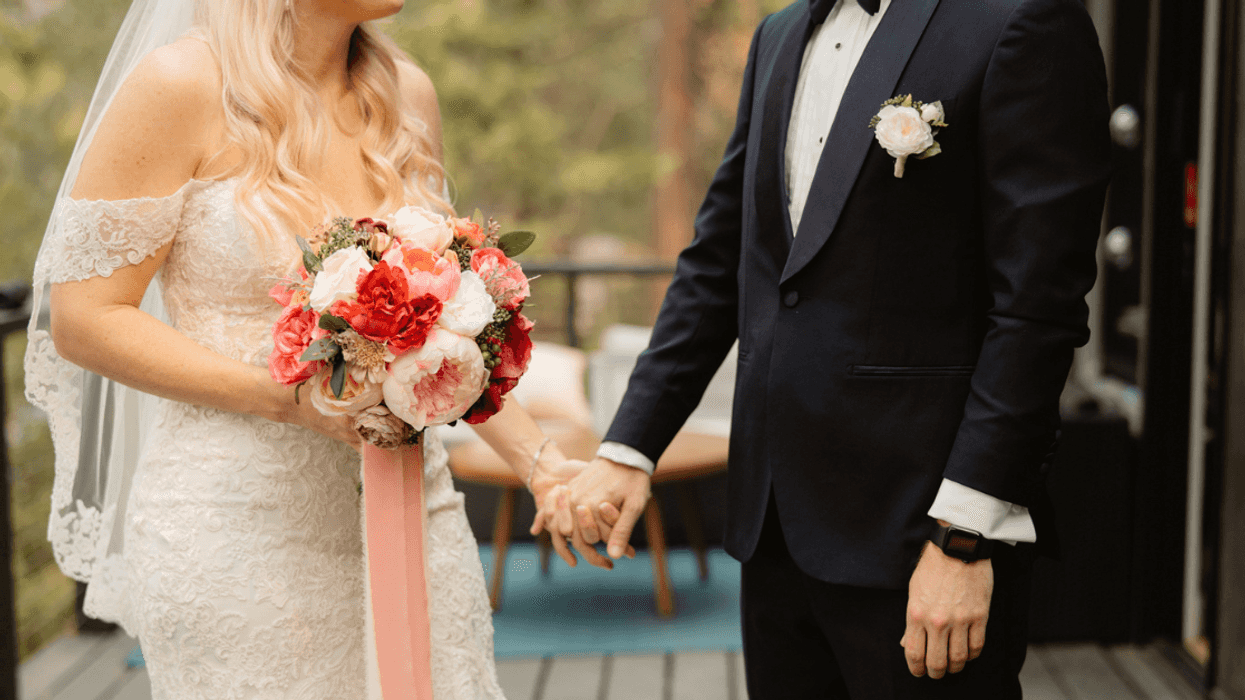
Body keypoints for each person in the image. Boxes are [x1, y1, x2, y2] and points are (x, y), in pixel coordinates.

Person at [24, 0, 606, 697]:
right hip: (238, 521)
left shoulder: (406, 94)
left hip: (412, 511)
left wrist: (541, 466)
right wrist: (286, 401)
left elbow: (441, 338)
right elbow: (86, 319)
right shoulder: (179, 84)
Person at [533, 0, 1111, 697]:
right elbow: (721, 260)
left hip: (918, 529)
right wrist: (629, 447)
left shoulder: (1020, 20)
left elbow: (1036, 308)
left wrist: (964, 537)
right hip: (772, 526)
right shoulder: (777, 35)